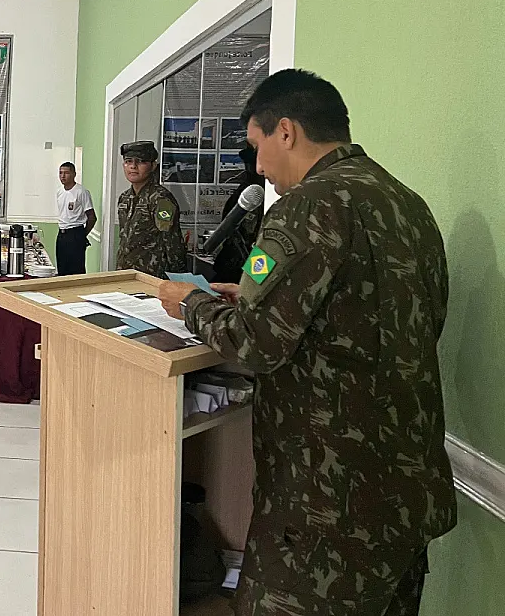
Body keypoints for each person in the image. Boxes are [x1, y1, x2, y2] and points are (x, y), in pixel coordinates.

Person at [156, 69, 455, 616]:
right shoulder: (408, 205)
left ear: (286, 131)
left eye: (257, 147)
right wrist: (255, 296)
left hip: (326, 505)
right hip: (407, 493)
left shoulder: (307, 205)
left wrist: (190, 302)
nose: (259, 168)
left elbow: (252, 343)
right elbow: (391, 319)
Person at [115, 142, 187, 278]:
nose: (133, 166)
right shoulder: (124, 198)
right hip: (127, 274)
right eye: (128, 161)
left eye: (141, 161)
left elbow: (172, 242)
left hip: (152, 276)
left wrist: (179, 279)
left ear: (153, 166)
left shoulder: (161, 199)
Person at [212, 145, 265, 284]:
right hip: (232, 264)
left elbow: (265, 245)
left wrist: (253, 280)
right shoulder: (247, 193)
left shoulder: (268, 196)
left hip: (251, 267)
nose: (254, 169)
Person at [54, 162, 97, 276]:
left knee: (76, 270)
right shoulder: (59, 192)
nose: (63, 176)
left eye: (66, 173)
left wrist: (82, 235)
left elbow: (92, 217)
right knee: (62, 269)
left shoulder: (81, 192)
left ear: (74, 174)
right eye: (60, 173)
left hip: (75, 233)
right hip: (62, 233)